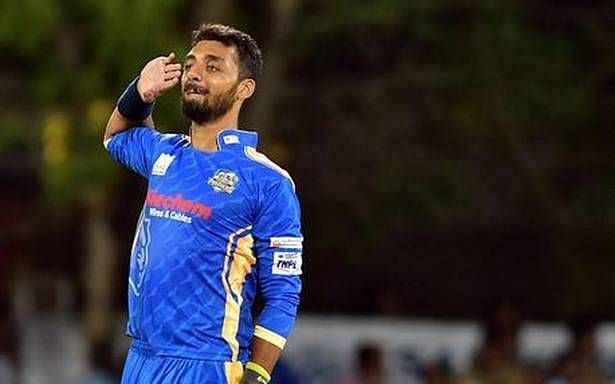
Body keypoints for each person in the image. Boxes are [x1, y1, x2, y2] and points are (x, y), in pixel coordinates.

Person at [103, 23, 304, 384]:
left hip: (208, 365)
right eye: (192, 63)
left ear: (245, 88)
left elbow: (283, 295)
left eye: (213, 67)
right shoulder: (166, 153)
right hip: (141, 360)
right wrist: (140, 93)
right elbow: (115, 137)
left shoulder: (268, 182)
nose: (195, 74)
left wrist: (257, 375)